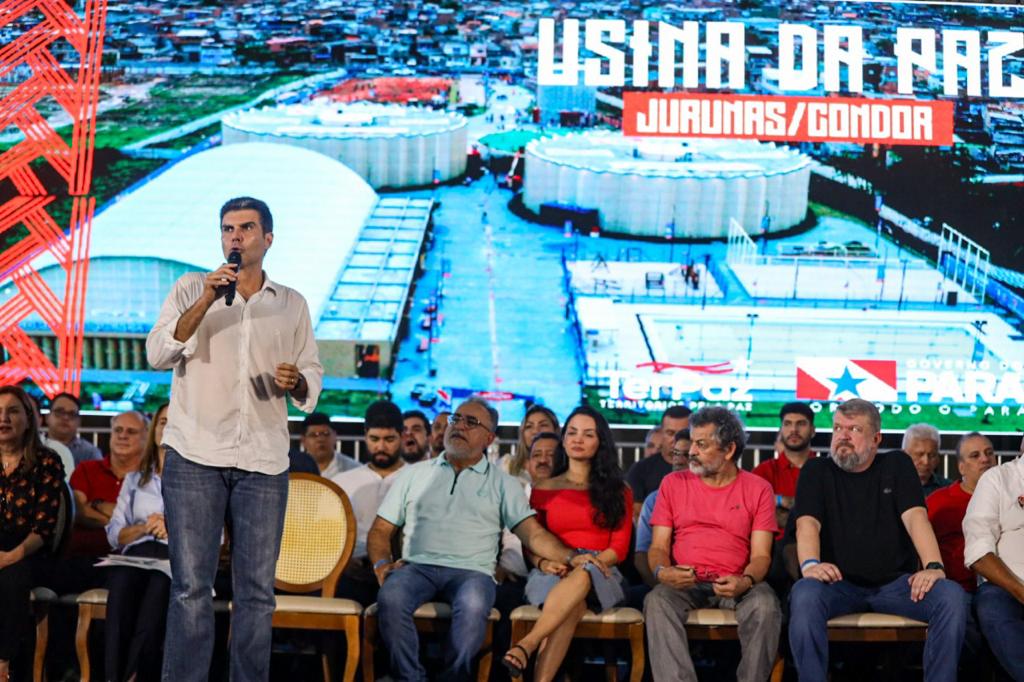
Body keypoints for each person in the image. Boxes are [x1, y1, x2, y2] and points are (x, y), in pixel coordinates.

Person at [145, 196, 323, 681]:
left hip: (263, 461)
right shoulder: (189, 288)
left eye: (246, 228)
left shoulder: (291, 304)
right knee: (190, 589)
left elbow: (312, 373)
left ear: (268, 238)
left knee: (256, 593)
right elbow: (158, 354)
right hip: (195, 454)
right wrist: (206, 299)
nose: (235, 237)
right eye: (227, 229)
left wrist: (298, 382)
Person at [367, 397, 581, 682]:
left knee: (474, 604)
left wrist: (570, 556)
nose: (459, 426)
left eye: (471, 422)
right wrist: (382, 564)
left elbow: (532, 533)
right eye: (456, 419)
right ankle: (410, 678)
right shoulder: (414, 474)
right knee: (391, 595)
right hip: (417, 566)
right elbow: (381, 529)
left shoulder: (504, 483)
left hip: (473, 573)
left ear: (489, 437)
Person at [789, 399, 966, 682]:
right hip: (838, 586)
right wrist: (810, 564)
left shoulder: (896, 464)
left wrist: (934, 566)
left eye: (854, 429)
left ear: (876, 438)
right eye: (837, 428)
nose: (842, 436)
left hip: (896, 586)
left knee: (951, 596)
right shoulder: (815, 471)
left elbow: (916, 518)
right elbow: (807, 523)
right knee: (804, 594)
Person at [644, 407, 781, 682]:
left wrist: (745, 580)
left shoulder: (758, 488)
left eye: (701, 444)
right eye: (692, 442)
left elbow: (762, 556)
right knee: (656, 601)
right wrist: (662, 571)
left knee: (766, 605)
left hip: (738, 583)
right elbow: (658, 547)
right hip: (685, 583)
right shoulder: (672, 483)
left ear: (729, 450)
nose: (690, 451)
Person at [502, 406, 632, 680]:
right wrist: (544, 562)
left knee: (584, 573)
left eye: (587, 434)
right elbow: (531, 540)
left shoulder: (620, 490)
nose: (578, 439)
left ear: (600, 442)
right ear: (563, 439)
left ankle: (528, 643)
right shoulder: (543, 488)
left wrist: (590, 563)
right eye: (572, 432)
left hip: (603, 571)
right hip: (553, 571)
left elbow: (618, 549)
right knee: (571, 608)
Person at [0, 386, 65, 682]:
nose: (4, 418)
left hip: (31, 550)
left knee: (12, 576)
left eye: (12, 411)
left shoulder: (47, 461)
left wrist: (9, 557)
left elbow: (44, 528)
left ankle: (4, 664)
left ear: (28, 418)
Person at [103, 403, 171, 682]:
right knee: (121, 587)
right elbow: (114, 533)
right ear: (155, 429)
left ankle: (135, 676)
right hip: (134, 554)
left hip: (173, 556)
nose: (167, 428)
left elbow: (217, 537)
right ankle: (113, 676)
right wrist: (146, 526)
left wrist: (172, 527)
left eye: (174, 422)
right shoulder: (134, 480)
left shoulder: (200, 483)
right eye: (163, 422)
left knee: (157, 592)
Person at [331, 401, 406, 606]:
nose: (381, 447)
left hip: (400, 571)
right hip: (349, 569)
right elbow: (327, 532)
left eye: (389, 439)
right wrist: (343, 563)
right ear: (365, 435)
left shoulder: (415, 479)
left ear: (402, 436)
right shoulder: (343, 482)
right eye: (374, 439)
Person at [963, 432, 1024, 681]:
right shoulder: (999, 479)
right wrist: (1020, 591)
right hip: (1008, 588)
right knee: (992, 606)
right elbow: (979, 551)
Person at [66, 411, 147, 590]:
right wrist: (126, 525)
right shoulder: (86, 469)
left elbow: (149, 523)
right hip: (82, 558)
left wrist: (95, 505)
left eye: (131, 432)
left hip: (131, 563)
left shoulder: (152, 479)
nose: (122, 435)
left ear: (146, 439)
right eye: (117, 430)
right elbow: (79, 512)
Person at [927, 432, 996, 593]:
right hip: (955, 590)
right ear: (961, 467)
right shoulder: (939, 502)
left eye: (989, 453)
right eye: (975, 455)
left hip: (1002, 588)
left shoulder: (1011, 498)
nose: (985, 459)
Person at [634, 429, 690, 589]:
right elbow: (641, 556)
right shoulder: (654, 499)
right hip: (663, 585)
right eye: (675, 454)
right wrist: (663, 586)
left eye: (686, 455)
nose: (678, 461)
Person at [626, 405, 690, 520]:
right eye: (670, 433)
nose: (675, 439)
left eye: (682, 434)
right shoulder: (640, 469)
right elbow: (638, 517)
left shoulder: (703, 470)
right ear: (661, 433)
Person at [501, 405, 560, 484]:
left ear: (556, 430)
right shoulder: (507, 466)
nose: (535, 431)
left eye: (543, 425)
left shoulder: (569, 469)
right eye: (529, 426)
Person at [45, 391, 101, 465]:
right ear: (47, 417)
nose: (65, 417)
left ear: (79, 422)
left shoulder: (90, 453)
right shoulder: (33, 447)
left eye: (72, 414)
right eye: (59, 412)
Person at [301, 413, 359, 477]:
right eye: (314, 435)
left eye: (326, 434)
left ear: (335, 436)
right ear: (303, 440)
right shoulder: (294, 469)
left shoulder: (354, 469)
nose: (320, 439)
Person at [903, 423, 950, 496]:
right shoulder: (889, 487)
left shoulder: (948, 489)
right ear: (904, 455)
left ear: (938, 458)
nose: (926, 462)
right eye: (919, 454)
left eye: (932, 455)